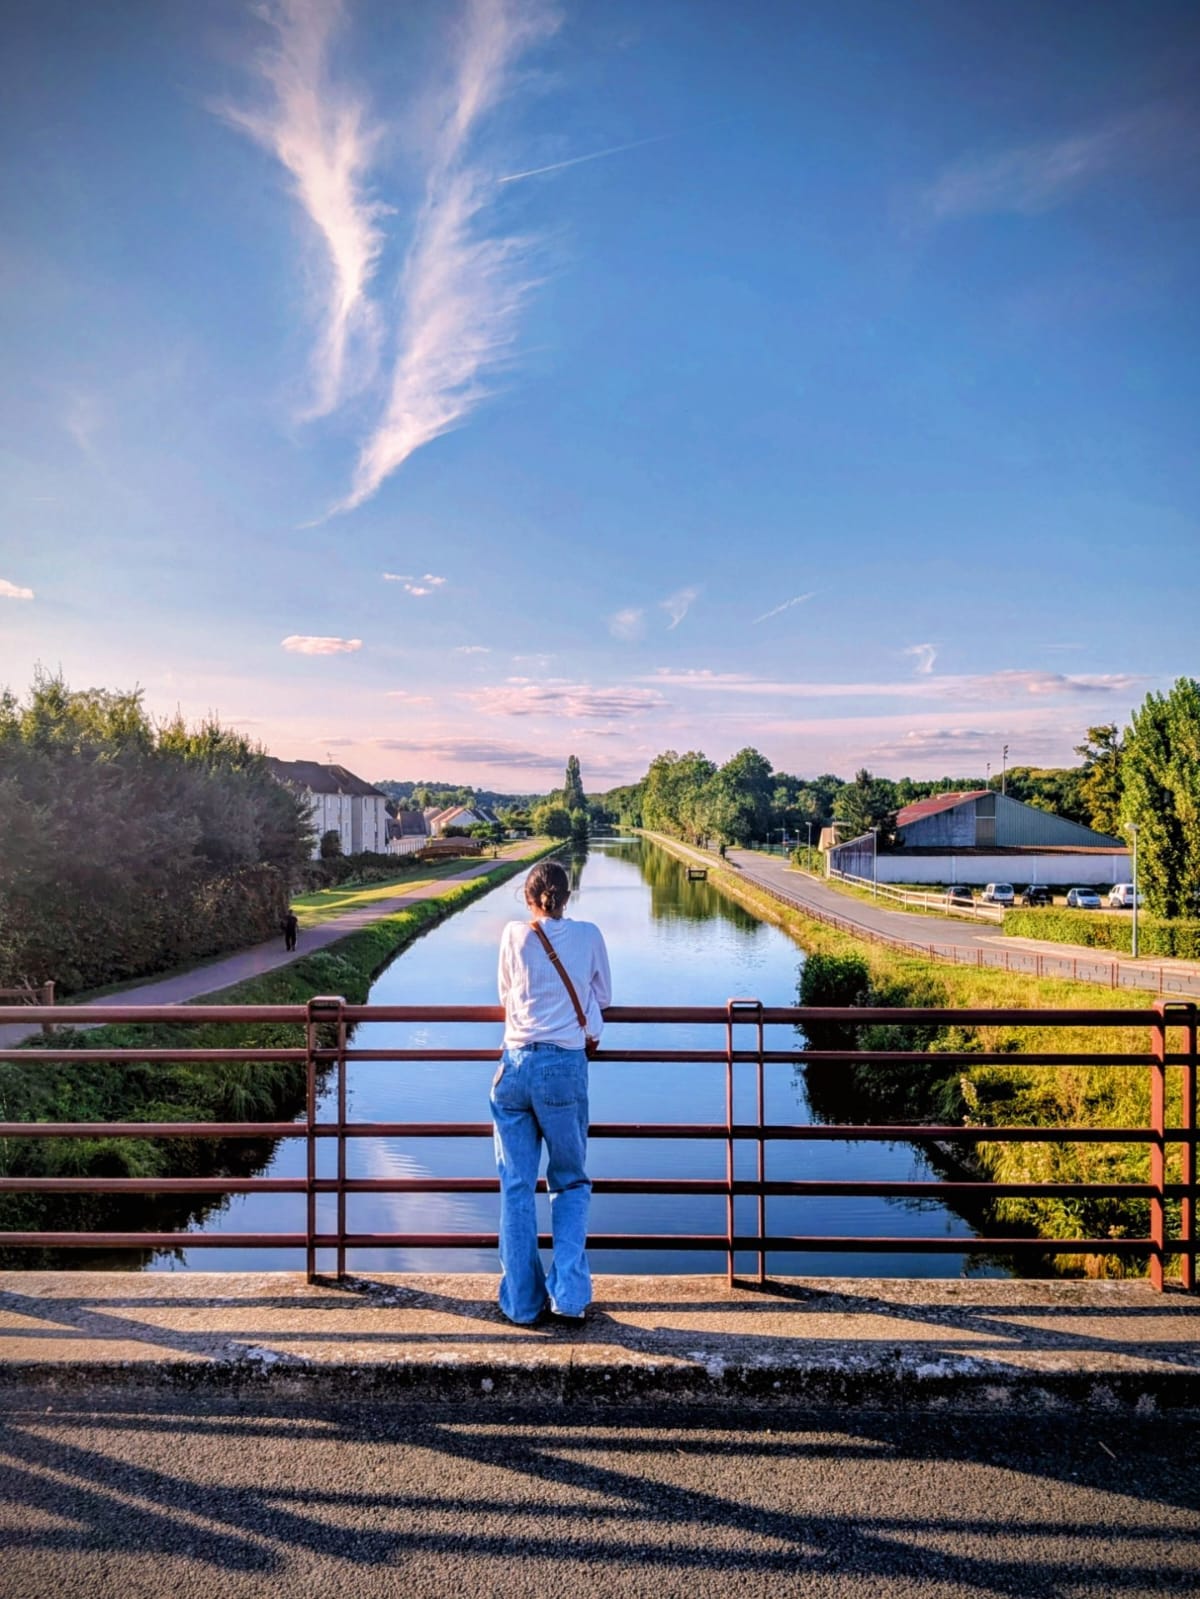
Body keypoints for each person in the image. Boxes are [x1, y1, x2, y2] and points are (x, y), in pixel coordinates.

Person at [492, 858, 611, 1326]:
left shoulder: (512, 935)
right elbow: (602, 997)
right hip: (563, 1068)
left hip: (513, 1069)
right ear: (568, 895)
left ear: (529, 897)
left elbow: (506, 996)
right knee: (570, 1180)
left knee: (516, 1187)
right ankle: (569, 1297)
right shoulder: (590, 936)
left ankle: (522, 1304)